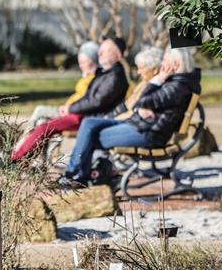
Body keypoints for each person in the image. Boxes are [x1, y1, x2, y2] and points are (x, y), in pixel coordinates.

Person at [60, 47, 201, 187]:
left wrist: (157, 79)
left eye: (164, 60)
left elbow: (143, 100)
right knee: (89, 123)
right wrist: (142, 107)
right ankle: (77, 174)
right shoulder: (175, 83)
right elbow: (142, 103)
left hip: (149, 133)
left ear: (175, 65)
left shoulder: (176, 87)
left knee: (91, 136)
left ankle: (75, 176)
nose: (161, 64)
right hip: (140, 124)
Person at [11, 37, 129, 163]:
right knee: (43, 125)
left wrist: (70, 108)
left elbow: (96, 101)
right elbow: (89, 98)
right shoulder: (107, 74)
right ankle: (26, 160)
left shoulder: (114, 77)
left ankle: (15, 159)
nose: (100, 53)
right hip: (84, 114)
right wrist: (70, 107)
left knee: (44, 127)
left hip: (87, 117)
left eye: (104, 50)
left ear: (118, 54)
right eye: (100, 50)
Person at [26, 41, 99, 127]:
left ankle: (26, 133)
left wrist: (69, 108)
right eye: (79, 62)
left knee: (40, 110)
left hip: (71, 112)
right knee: (41, 122)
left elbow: (84, 100)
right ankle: (30, 134)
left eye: (83, 62)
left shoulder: (94, 79)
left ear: (92, 61)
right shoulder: (87, 76)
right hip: (68, 109)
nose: (80, 65)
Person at [108, 46, 164, 121]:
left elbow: (132, 113)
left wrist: (111, 120)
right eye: (138, 68)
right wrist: (109, 116)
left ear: (155, 70)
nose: (138, 72)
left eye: (141, 68)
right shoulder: (144, 82)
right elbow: (126, 104)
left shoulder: (155, 88)